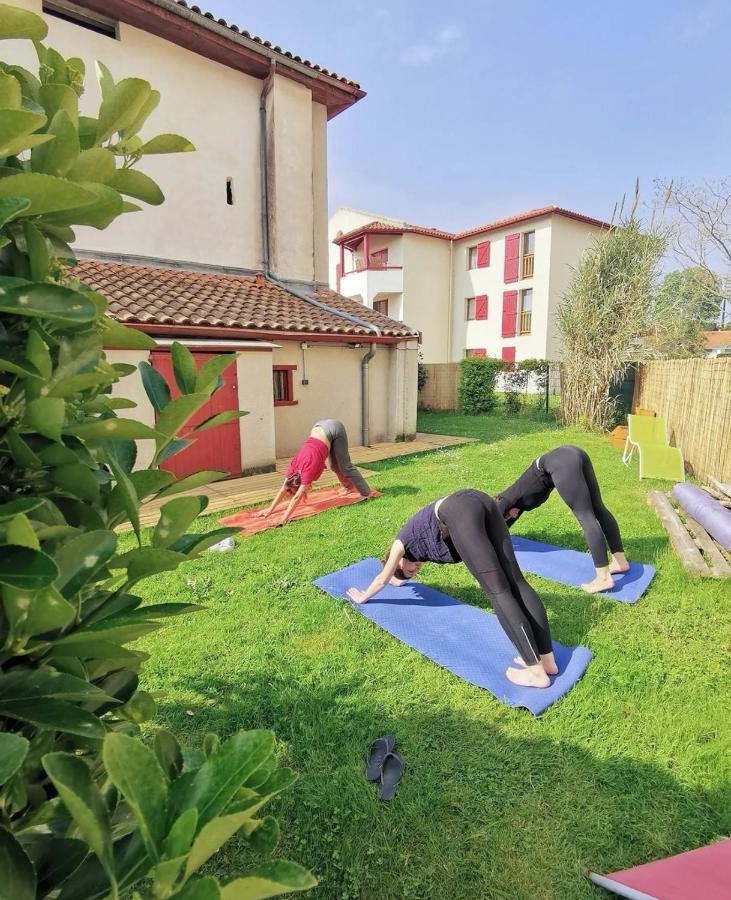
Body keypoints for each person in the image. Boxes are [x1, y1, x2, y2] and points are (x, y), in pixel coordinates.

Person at [347, 489, 558, 689]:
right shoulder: (421, 544)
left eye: (408, 570)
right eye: (413, 574)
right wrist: (398, 579)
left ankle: (536, 672)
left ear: (396, 563)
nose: (415, 570)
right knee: (516, 582)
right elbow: (393, 577)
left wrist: (363, 596)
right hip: (479, 500)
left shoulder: (400, 544)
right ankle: (547, 661)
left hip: (461, 509)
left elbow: (383, 578)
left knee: (498, 590)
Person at [495, 445, 629, 593]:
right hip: (573, 453)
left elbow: (494, 525)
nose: (513, 516)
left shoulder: (503, 502)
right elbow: (505, 525)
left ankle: (603, 579)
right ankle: (619, 562)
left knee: (586, 516)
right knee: (599, 509)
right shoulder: (513, 502)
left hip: (561, 463)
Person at [257, 419, 376, 526]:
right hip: (320, 427)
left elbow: (297, 496)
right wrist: (269, 510)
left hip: (334, 429)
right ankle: (348, 487)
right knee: (334, 466)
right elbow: (283, 489)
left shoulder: (307, 471)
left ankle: (366, 492)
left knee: (345, 466)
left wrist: (283, 518)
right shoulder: (293, 468)